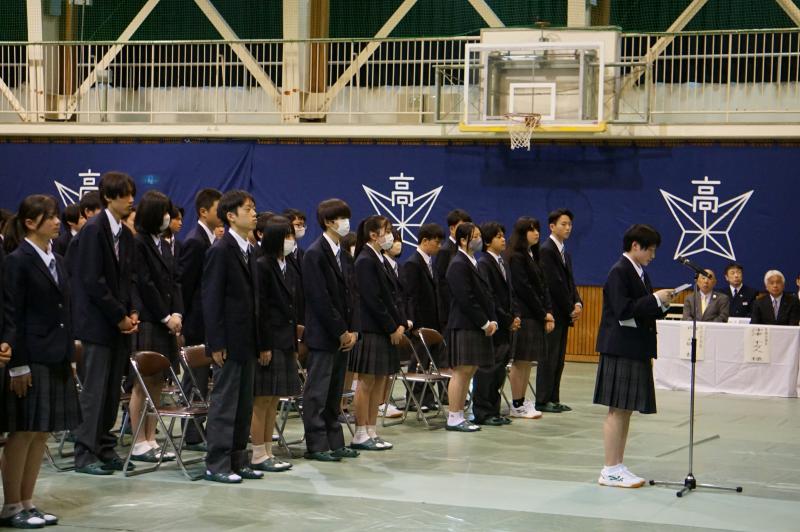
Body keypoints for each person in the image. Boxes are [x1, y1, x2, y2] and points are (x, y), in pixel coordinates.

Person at [1, 195, 79, 528]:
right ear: (30, 222)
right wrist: (18, 365)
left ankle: (28, 502)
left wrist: (70, 355)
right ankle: (11, 506)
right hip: (30, 356)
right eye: (49, 216)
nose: (57, 221)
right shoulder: (17, 261)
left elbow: (66, 310)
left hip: (56, 355)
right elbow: (12, 315)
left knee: (41, 433)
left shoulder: (57, 259)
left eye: (57, 215)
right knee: (23, 432)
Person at [594, 224, 674, 488]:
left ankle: (617, 464)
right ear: (635, 246)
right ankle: (609, 468)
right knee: (617, 410)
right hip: (620, 347)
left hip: (634, 347)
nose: (653, 255)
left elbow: (643, 309)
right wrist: (654, 299)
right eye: (650, 249)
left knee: (625, 410)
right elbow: (623, 309)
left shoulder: (640, 273)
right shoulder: (620, 271)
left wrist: (662, 304)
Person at [71, 171, 139, 475]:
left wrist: (132, 311)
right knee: (94, 391)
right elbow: (92, 280)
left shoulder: (126, 234)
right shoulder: (93, 230)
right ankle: (85, 453)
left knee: (112, 391)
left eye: (132, 194)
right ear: (109, 197)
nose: (130, 200)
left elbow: (129, 278)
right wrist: (118, 316)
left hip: (120, 325)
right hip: (98, 325)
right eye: (124, 195)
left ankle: (105, 447)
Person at [202, 190, 269, 483]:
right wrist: (216, 342)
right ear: (231, 216)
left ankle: (238, 461)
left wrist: (262, 342)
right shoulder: (220, 250)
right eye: (248, 209)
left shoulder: (250, 250)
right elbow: (211, 299)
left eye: (254, 208)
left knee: (243, 406)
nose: (254, 214)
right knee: (225, 404)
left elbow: (256, 302)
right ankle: (216, 464)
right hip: (228, 342)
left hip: (248, 341)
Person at [301, 198, 360, 462]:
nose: (346, 223)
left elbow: (352, 295)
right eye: (341, 218)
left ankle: (335, 442)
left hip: (344, 335)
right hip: (324, 335)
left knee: (335, 392)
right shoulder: (315, 253)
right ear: (328, 222)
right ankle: (316, 445)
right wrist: (340, 330)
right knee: (318, 393)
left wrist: (353, 330)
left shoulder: (344, 255)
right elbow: (319, 298)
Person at [128, 190, 183, 463]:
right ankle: (138, 441)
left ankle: (151, 437)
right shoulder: (138, 243)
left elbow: (175, 281)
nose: (168, 217)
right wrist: (164, 316)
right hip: (151, 321)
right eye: (164, 212)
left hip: (168, 321)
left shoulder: (164, 243)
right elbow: (145, 283)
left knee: (158, 383)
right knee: (143, 384)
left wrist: (178, 313)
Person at [349, 216, 406, 450]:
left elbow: (393, 297)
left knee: (379, 382)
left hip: (385, 330)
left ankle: (372, 430)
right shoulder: (365, 260)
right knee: (366, 383)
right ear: (373, 235)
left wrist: (400, 323)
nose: (391, 235)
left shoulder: (380, 258)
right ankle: (360, 432)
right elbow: (372, 299)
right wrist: (391, 326)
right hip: (372, 329)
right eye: (387, 230)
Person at [251, 216, 301, 472]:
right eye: (287, 235)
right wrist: (263, 346)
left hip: (285, 341)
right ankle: (258, 452)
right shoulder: (262, 265)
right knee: (262, 399)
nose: (292, 240)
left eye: (292, 234)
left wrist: (293, 345)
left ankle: (268, 450)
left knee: (274, 399)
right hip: (269, 342)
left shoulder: (289, 266)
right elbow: (260, 310)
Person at [177, 188, 221, 451]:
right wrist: (184, 321)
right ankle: (191, 433)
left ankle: (199, 429)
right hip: (196, 323)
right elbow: (186, 284)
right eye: (218, 208)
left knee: (204, 381)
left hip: (209, 322)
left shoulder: (212, 239)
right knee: (195, 380)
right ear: (204, 211)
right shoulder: (195, 242)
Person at [445, 222, 497, 432]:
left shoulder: (474, 261)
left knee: (471, 369)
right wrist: (483, 322)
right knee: (461, 370)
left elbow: (486, 295)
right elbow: (465, 298)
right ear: (463, 239)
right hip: (464, 324)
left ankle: (460, 414)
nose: (478, 240)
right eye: (474, 236)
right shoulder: (458, 264)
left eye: (479, 236)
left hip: (477, 325)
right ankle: (453, 416)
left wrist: (492, 320)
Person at [473, 221, 518, 427]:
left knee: (500, 370)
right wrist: (506, 319)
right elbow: (489, 296)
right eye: (498, 236)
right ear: (488, 241)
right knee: (487, 370)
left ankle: (494, 409)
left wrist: (515, 315)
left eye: (503, 235)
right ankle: (483, 411)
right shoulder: (484, 264)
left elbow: (510, 294)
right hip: (494, 324)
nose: (503, 239)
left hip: (506, 325)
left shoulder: (503, 263)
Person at [506, 217, 551, 419]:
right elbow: (524, 288)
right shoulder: (516, 257)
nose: (536, 233)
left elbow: (542, 286)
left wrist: (546, 311)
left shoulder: (533, 254)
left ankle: (522, 400)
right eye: (531, 230)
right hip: (525, 314)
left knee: (528, 361)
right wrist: (543, 313)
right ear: (522, 233)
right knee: (520, 360)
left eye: (537, 229)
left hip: (535, 315)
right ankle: (516, 403)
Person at [538, 208, 582, 413]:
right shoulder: (546, 250)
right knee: (549, 358)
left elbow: (569, 281)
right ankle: (543, 399)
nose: (568, 228)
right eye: (563, 224)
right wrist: (569, 307)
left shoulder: (564, 252)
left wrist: (578, 303)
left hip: (564, 313)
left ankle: (554, 398)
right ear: (552, 226)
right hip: (553, 313)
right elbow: (553, 283)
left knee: (559, 358)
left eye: (570, 224)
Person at [401, 223, 445, 410]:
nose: (439, 246)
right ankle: (414, 398)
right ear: (425, 240)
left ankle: (427, 398)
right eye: (436, 242)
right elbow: (411, 296)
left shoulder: (430, 263)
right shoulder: (413, 263)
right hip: (420, 323)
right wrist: (414, 323)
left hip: (433, 321)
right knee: (419, 361)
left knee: (430, 362)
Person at [379, 227, 408, 419]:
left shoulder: (399, 267)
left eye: (399, 240)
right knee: (381, 370)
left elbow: (403, 297)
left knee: (391, 368)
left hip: (398, 323)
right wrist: (393, 325)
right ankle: (380, 402)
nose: (397, 243)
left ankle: (385, 399)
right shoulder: (380, 264)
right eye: (394, 239)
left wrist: (403, 322)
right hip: (386, 325)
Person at [434, 209, 472, 332]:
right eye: (462, 227)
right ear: (452, 228)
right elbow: (441, 284)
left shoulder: (466, 249)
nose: (466, 231)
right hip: (450, 314)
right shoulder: (445, 251)